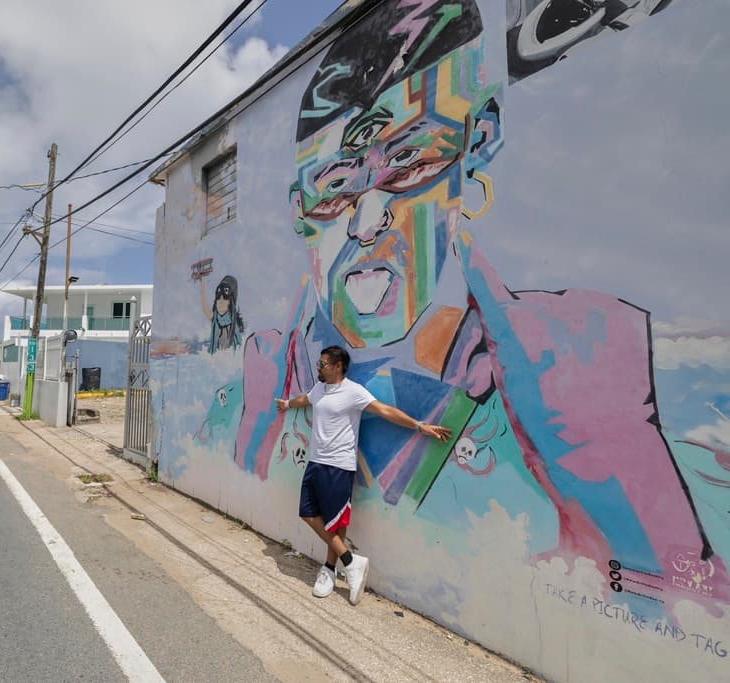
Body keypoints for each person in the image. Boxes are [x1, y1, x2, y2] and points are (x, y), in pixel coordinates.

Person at [218, 0, 723, 615]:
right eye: (335, 186)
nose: (367, 219)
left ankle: (341, 566)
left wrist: (618, 487)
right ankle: (343, 564)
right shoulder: (275, 366)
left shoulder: (571, 369)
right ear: (300, 207)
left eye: (407, 160)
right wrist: (260, 425)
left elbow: (689, 606)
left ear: (475, 143)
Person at [276, 345, 450, 605]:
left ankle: (329, 569)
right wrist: (288, 404)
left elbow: (385, 410)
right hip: (315, 462)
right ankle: (350, 561)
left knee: (335, 522)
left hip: (339, 466)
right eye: (319, 363)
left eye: (323, 364)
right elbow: (306, 399)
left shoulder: (353, 391)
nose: (319, 368)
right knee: (308, 513)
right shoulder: (319, 388)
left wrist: (419, 426)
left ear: (338, 366)